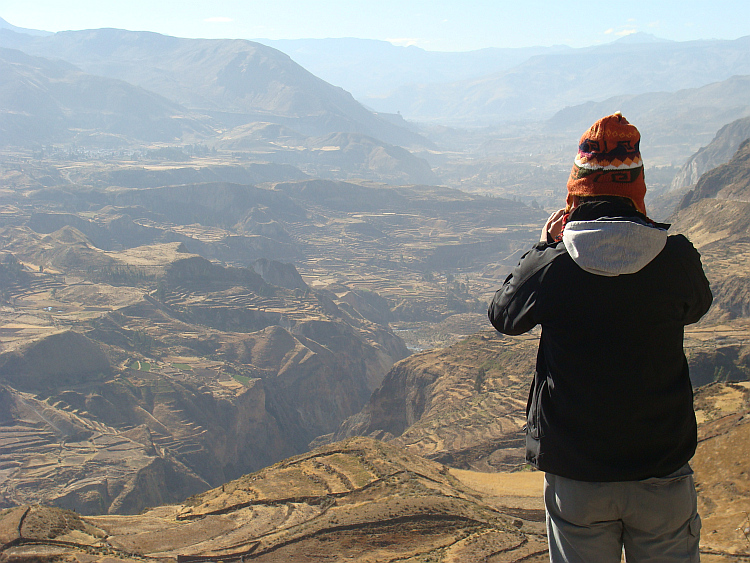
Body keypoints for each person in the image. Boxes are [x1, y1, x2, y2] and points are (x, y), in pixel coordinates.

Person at [488, 112, 712, 562]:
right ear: (637, 188)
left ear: (577, 190)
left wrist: (545, 246)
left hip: (578, 475)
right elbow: (698, 306)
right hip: (661, 468)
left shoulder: (552, 266)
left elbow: (504, 317)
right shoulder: (676, 258)